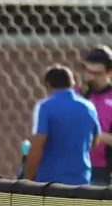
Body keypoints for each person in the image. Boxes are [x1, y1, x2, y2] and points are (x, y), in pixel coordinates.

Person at [23, 65, 100, 185]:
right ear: (72, 84)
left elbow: (38, 145)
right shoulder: (89, 107)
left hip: (50, 182)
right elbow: (95, 140)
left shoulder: (45, 107)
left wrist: (27, 180)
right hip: (81, 180)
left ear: (48, 86)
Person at [81, 46, 112, 186]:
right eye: (88, 71)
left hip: (103, 172)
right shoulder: (77, 95)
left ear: (109, 72)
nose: (91, 77)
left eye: (97, 73)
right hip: (76, 168)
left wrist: (97, 136)